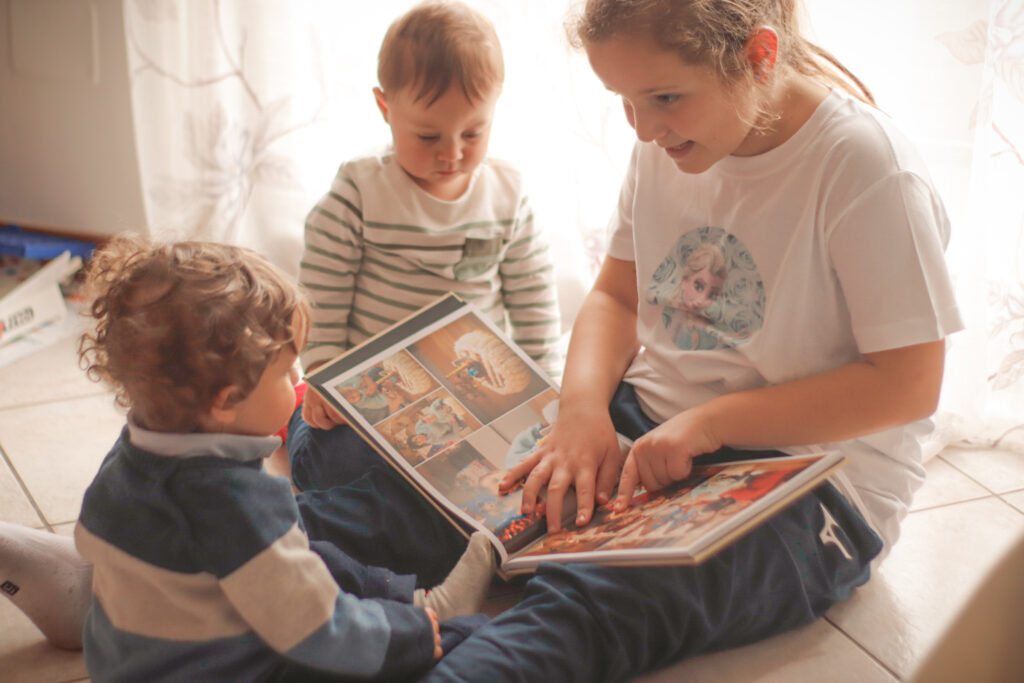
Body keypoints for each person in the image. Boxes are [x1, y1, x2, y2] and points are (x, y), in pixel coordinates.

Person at [418, 0, 964, 679]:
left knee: (604, 600)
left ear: (759, 56)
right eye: (624, 101)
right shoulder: (671, 137)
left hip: (812, 480)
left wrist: (711, 424)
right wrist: (581, 410)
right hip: (652, 421)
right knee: (403, 479)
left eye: (665, 97)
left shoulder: (866, 168)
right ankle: (357, 623)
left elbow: (908, 384)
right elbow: (616, 296)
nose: (644, 128)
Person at [58, 235, 494, 680]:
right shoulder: (235, 501)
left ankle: (409, 601)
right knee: (473, 640)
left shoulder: (129, 457)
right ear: (226, 401)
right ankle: (427, 614)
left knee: (302, 552)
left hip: (132, 663)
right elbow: (318, 630)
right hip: (227, 669)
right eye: (287, 372)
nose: (299, 376)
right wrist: (414, 636)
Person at [294, 0, 561, 463]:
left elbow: (533, 298)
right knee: (324, 450)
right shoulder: (360, 190)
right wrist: (322, 371)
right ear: (385, 107)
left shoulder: (507, 194)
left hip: (476, 392)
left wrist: (550, 389)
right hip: (373, 383)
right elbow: (322, 293)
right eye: (428, 136)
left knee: (509, 461)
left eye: (474, 133)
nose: (452, 153)